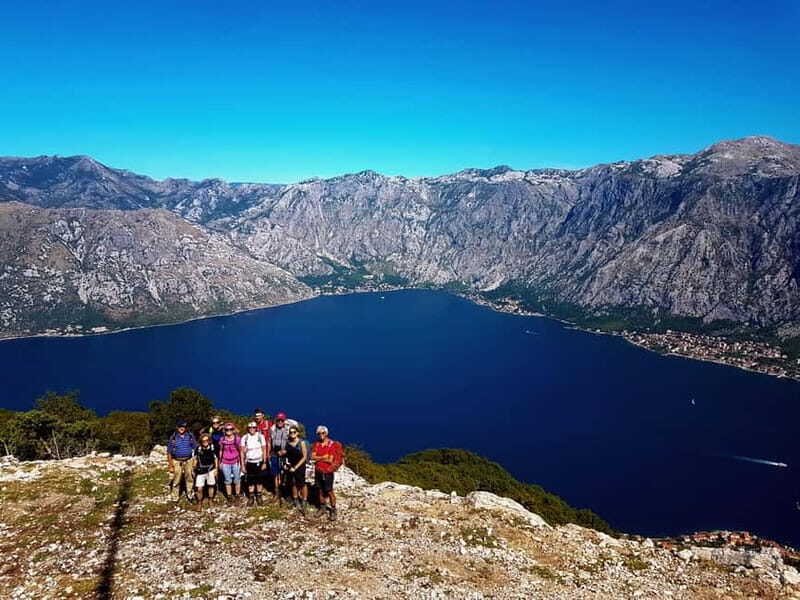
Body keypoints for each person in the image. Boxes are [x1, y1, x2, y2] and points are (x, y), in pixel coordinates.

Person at [311, 425, 344, 521]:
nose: (321, 435)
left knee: (329, 491)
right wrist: (323, 457)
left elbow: (330, 460)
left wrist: (318, 458)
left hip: (327, 471)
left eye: (323, 433)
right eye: (319, 433)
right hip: (318, 470)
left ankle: (333, 509)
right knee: (319, 490)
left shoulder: (331, 444)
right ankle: (323, 508)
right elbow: (312, 457)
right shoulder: (316, 444)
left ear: (326, 433)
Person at [167, 419, 197, 503]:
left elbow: (195, 447)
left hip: (189, 460)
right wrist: (170, 465)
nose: (182, 428)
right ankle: (175, 496)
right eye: (180, 426)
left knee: (189, 477)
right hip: (177, 461)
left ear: (186, 427)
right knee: (177, 478)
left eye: (183, 426)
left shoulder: (190, 436)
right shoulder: (173, 438)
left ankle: (190, 494)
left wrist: (195, 460)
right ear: (177, 427)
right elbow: (169, 452)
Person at [240, 421, 268, 506]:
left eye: (253, 427)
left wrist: (264, 462)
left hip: (259, 461)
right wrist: (242, 465)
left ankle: (259, 495)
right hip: (249, 462)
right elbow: (242, 452)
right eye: (250, 427)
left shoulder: (260, 436)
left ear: (256, 428)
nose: (252, 429)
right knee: (250, 480)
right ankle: (251, 497)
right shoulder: (245, 438)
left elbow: (264, 449)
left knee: (259, 480)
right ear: (247, 429)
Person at [284, 425, 309, 514]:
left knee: (302, 483)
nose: (292, 434)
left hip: (300, 465)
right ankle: (295, 499)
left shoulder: (301, 443)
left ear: (297, 433)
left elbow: (304, 457)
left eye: (294, 432)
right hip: (291, 465)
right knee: (293, 482)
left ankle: (304, 500)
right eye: (291, 432)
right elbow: (288, 454)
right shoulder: (288, 443)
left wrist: (296, 467)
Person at [193, 433, 219, 508]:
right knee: (199, 488)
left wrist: (216, 469)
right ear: (201, 441)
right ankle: (199, 502)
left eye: (207, 440)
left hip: (211, 469)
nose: (205, 442)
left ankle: (210, 500)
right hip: (201, 470)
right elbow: (195, 459)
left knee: (211, 485)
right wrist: (193, 469)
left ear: (209, 440)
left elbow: (216, 459)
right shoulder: (198, 449)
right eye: (203, 441)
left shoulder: (213, 448)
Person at [218, 422, 242, 503]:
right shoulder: (222, 439)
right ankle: (229, 496)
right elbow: (221, 450)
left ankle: (237, 495)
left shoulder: (237, 439)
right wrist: (220, 462)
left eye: (231, 429)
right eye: (227, 429)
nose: (229, 431)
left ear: (233, 430)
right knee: (227, 479)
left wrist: (242, 462)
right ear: (224, 430)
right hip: (225, 462)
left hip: (236, 461)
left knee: (237, 479)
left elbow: (240, 450)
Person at [269, 412, 290, 502]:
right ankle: (277, 492)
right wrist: (269, 452)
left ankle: (286, 492)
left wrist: (286, 450)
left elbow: (291, 442)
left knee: (285, 473)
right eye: (278, 420)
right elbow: (270, 441)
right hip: (274, 453)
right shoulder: (272, 429)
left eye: (282, 420)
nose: (280, 422)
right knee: (276, 474)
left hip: (285, 454)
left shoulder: (288, 430)